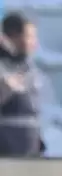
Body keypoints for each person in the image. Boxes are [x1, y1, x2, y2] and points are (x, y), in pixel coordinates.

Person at [0, 12, 43, 157]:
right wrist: (5, 89)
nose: (33, 43)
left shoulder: (27, 66)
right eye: (28, 37)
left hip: (30, 148)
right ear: (11, 36)